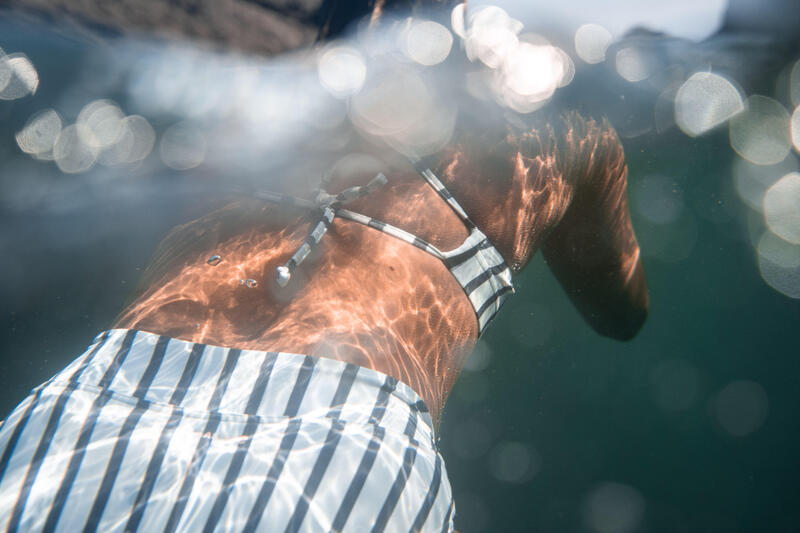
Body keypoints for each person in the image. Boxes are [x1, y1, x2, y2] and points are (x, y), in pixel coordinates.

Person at [0, 6, 648, 533]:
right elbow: (622, 310)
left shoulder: (270, 46)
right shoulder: (569, 127)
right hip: (348, 446)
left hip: (108, 396)